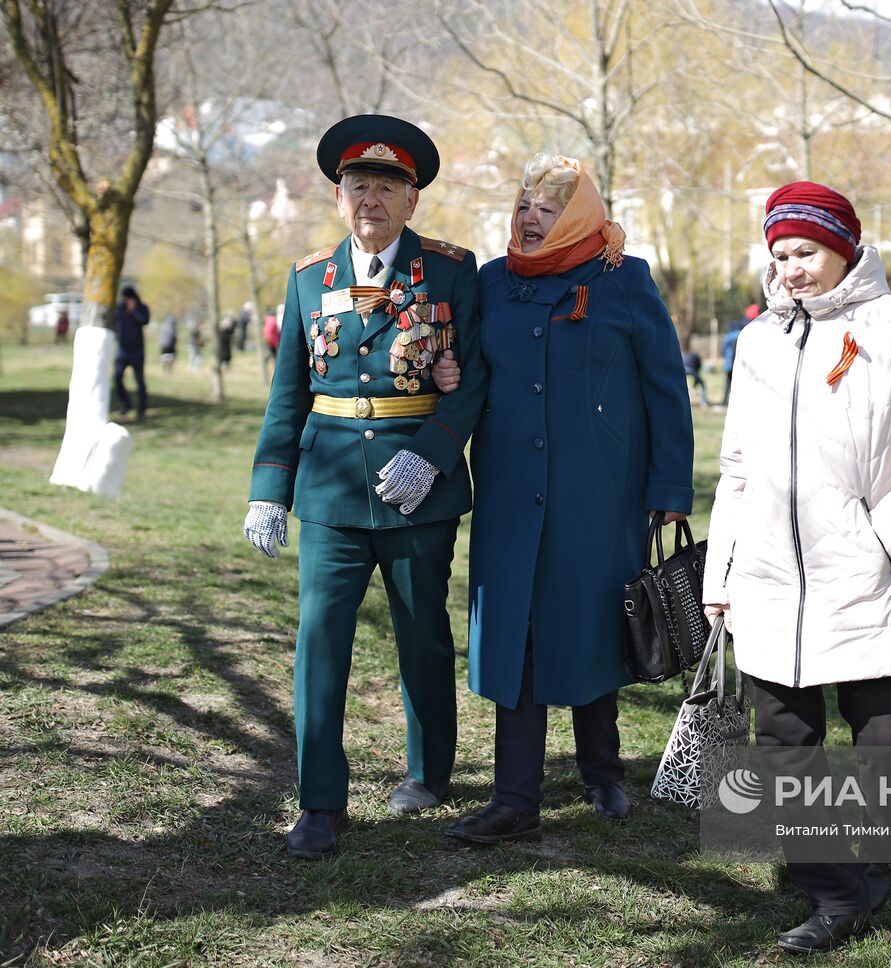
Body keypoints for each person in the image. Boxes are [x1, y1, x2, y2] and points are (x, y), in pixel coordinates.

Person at [701, 182, 891, 955]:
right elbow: (737, 467)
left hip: (868, 575)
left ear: (845, 248)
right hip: (769, 579)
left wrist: (880, 540)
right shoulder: (757, 340)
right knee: (786, 737)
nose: (792, 269)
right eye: (780, 254)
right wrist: (720, 576)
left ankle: (872, 866)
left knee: (883, 737)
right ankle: (833, 891)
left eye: (807, 252)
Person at [242, 114, 487, 859]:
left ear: (412, 201)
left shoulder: (449, 270)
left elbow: (472, 376)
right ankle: (321, 802)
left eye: (387, 185)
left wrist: (436, 453)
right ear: (338, 195)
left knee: (422, 635)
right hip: (331, 489)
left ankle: (429, 772)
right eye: (357, 185)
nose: (370, 198)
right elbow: (289, 394)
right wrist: (268, 487)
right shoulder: (309, 276)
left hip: (417, 485)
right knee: (320, 641)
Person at [431, 153, 693, 846]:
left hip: (600, 493)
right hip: (512, 490)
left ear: (577, 215)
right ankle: (514, 797)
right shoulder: (490, 281)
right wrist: (446, 367)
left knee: (591, 625)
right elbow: (464, 359)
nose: (529, 218)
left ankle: (601, 771)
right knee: (515, 633)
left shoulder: (623, 278)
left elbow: (665, 384)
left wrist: (669, 486)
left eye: (546, 210)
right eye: (523, 206)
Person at [112, 285, 150, 420]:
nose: (126, 301)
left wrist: (134, 310)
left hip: (137, 350)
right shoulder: (120, 309)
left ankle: (142, 410)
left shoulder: (142, 308)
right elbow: (115, 323)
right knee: (117, 377)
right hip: (123, 350)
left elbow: (144, 320)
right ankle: (125, 403)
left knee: (140, 381)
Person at [721, 303, 759, 405]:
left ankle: (724, 401)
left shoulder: (728, 336)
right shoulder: (742, 334)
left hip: (728, 363)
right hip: (738, 363)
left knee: (728, 383)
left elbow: (723, 349)